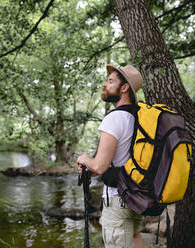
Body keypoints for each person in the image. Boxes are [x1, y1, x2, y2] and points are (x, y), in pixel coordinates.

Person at [76, 64, 145, 248]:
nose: (104, 84)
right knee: (135, 238)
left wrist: (84, 159)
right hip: (136, 197)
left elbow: (99, 166)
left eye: (111, 81)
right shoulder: (138, 117)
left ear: (124, 88)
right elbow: (121, 161)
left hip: (117, 200)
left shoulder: (114, 118)